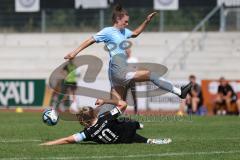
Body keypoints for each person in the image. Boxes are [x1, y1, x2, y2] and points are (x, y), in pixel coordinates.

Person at [64, 4, 192, 105]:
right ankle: (179, 92)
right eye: (125, 21)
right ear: (118, 19)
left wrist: (146, 21)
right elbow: (91, 39)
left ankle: (99, 126)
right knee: (151, 75)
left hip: (116, 70)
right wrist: (74, 52)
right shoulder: (108, 31)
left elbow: (135, 33)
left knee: (118, 103)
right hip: (118, 69)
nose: (127, 24)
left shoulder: (123, 31)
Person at [40, 99, 172, 145]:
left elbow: (67, 140)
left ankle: (147, 139)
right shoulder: (105, 117)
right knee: (126, 121)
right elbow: (123, 104)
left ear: (85, 122)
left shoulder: (88, 133)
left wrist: (48, 144)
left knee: (124, 124)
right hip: (127, 131)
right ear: (93, 113)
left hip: (122, 139)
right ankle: (139, 126)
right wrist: (104, 101)